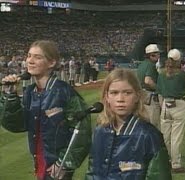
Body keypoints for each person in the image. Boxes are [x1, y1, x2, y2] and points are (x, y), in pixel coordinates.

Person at [0, 40, 92, 180]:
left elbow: (82, 131)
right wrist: (10, 95)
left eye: (38, 57)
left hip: (56, 168)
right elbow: (16, 125)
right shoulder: (30, 92)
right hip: (40, 163)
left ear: (51, 63)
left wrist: (64, 164)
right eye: (29, 56)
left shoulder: (64, 92)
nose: (30, 61)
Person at [85, 68, 172, 180]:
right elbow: (92, 173)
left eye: (127, 93)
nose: (120, 99)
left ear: (137, 96)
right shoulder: (100, 131)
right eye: (114, 93)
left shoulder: (149, 136)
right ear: (107, 97)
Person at [157, 49, 185, 173]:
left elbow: (159, 90)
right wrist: (183, 71)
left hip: (165, 104)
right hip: (178, 105)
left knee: (165, 136)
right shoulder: (181, 74)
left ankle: (165, 161)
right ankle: (175, 164)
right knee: (176, 137)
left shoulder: (161, 73)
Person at [136, 44, 161, 130]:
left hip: (141, 95)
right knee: (153, 125)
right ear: (151, 55)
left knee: (143, 123)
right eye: (157, 53)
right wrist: (159, 89)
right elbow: (148, 80)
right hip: (150, 96)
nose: (159, 55)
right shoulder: (151, 65)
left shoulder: (142, 65)